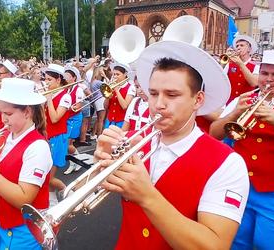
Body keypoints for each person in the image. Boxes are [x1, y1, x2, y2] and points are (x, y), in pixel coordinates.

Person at [94, 41, 249, 249]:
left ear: (198, 99)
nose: (158, 104)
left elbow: (214, 245)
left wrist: (147, 196)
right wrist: (99, 166)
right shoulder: (131, 140)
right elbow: (100, 190)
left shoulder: (228, 163)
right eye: (154, 93)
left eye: (172, 95)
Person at [209, 50, 274, 249]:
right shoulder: (245, 98)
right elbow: (214, 133)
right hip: (239, 185)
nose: (269, 79)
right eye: (264, 73)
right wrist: (234, 112)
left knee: (268, 243)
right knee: (236, 240)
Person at [0, 78, 52, 249]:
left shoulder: (38, 147)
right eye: (1, 112)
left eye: (8, 114)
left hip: (22, 231)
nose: (3, 119)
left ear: (27, 112)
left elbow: (24, 198)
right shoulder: (5, 136)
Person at [43, 64, 72, 205]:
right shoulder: (52, 94)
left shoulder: (65, 97)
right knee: (46, 173)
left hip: (58, 138)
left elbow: (55, 118)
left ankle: (68, 192)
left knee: (48, 177)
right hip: (47, 137)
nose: (46, 82)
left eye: (49, 79)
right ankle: (52, 201)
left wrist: (48, 98)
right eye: (45, 79)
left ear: (58, 79)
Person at [63, 66, 86, 175]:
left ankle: (74, 163)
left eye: (67, 76)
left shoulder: (79, 90)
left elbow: (79, 106)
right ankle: (76, 161)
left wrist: (66, 106)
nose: (65, 78)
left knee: (69, 144)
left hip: (74, 118)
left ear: (73, 78)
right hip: (67, 118)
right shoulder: (65, 88)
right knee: (67, 143)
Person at [224, 35, 258, 104]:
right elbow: (221, 80)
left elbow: (254, 83)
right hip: (229, 102)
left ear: (249, 49)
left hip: (246, 103)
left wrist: (240, 64)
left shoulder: (256, 66)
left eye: (242, 45)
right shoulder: (230, 64)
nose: (239, 48)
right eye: (237, 46)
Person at [104, 63, 136, 128]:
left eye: (118, 74)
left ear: (125, 74)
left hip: (122, 122)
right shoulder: (112, 86)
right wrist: (107, 96)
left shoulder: (131, 87)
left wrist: (117, 91)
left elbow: (124, 106)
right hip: (110, 120)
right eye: (114, 74)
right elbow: (105, 107)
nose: (115, 76)